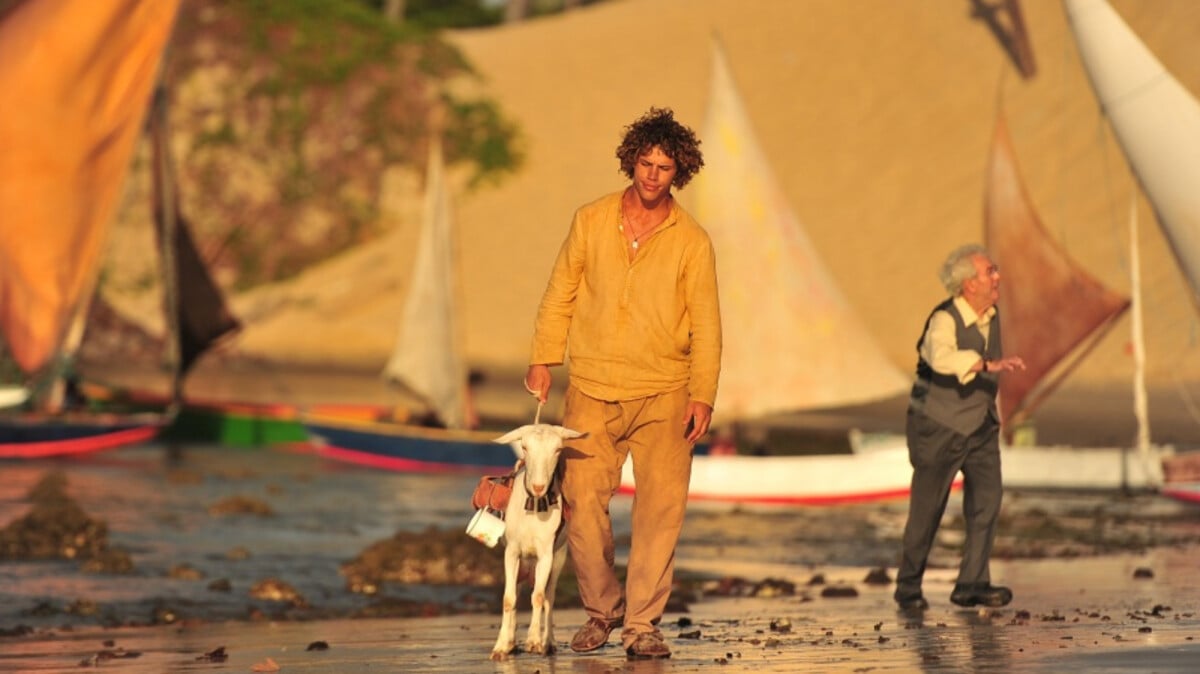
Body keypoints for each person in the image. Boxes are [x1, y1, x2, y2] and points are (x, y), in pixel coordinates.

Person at [523, 107, 721, 659]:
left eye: (665, 167)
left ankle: (641, 626)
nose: (653, 175)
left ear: (679, 172)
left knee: (660, 511)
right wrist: (544, 357)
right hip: (590, 385)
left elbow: (707, 323)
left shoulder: (693, 241)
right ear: (630, 160)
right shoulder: (590, 220)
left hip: (666, 391)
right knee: (581, 502)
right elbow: (560, 291)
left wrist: (703, 393)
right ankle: (601, 611)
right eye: (645, 163)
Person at [894, 243, 1025, 611]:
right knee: (927, 510)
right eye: (990, 272)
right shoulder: (944, 319)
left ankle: (972, 582)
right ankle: (908, 586)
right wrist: (986, 365)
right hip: (938, 426)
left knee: (987, 502)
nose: (997, 277)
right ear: (969, 284)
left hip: (981, 426)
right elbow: (942, 357)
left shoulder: (993, 315)